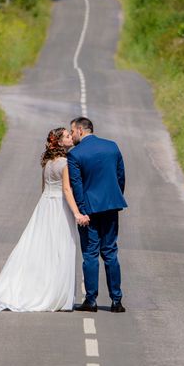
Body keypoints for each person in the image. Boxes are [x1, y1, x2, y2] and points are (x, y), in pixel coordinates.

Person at [0, 128, 86, 312]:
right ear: (58, 142)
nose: (70, 138)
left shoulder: (47, 162)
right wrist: (76, 213)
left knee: (41, 247)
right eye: (66, 136)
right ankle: (55, 294)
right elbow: (67, 190)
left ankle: (39, 287)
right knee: (59, 248)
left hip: (45, 206)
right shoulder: (65, 163)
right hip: (59, 206)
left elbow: (44, 189)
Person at [67, 117, 127, 313]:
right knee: (110, 252)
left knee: (90, 254)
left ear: (81, 131)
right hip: (111, 206)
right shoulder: (112, 147)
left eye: (73, 132)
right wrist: (113, 198)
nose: (72, 135)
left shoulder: (75, 154)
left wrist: (81, 211)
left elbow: (77, 186)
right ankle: (116, 301)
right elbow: (120, 176)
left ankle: (91, 300)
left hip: (90, 210)